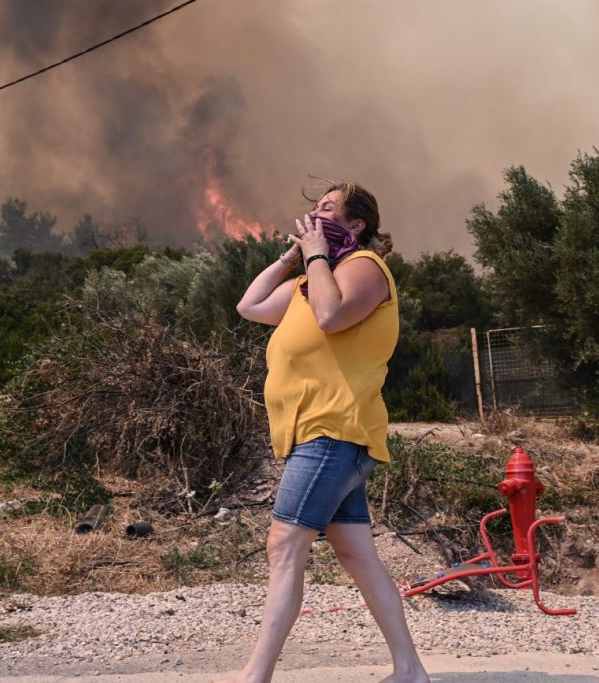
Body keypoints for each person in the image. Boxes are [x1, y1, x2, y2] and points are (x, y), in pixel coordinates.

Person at [217, 181, 430, 683]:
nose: (316, 213)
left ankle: (256, 676)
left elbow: (333, 318)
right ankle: (409, 669)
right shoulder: (312, 282)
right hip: (321, 435)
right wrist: (297, 256)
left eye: (329, 208)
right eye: (314, 208)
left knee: (284, 544)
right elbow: (250, 305)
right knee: (356, 553)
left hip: (334, 431)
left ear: (356, 226)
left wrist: (318, 255)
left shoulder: (364, 269)